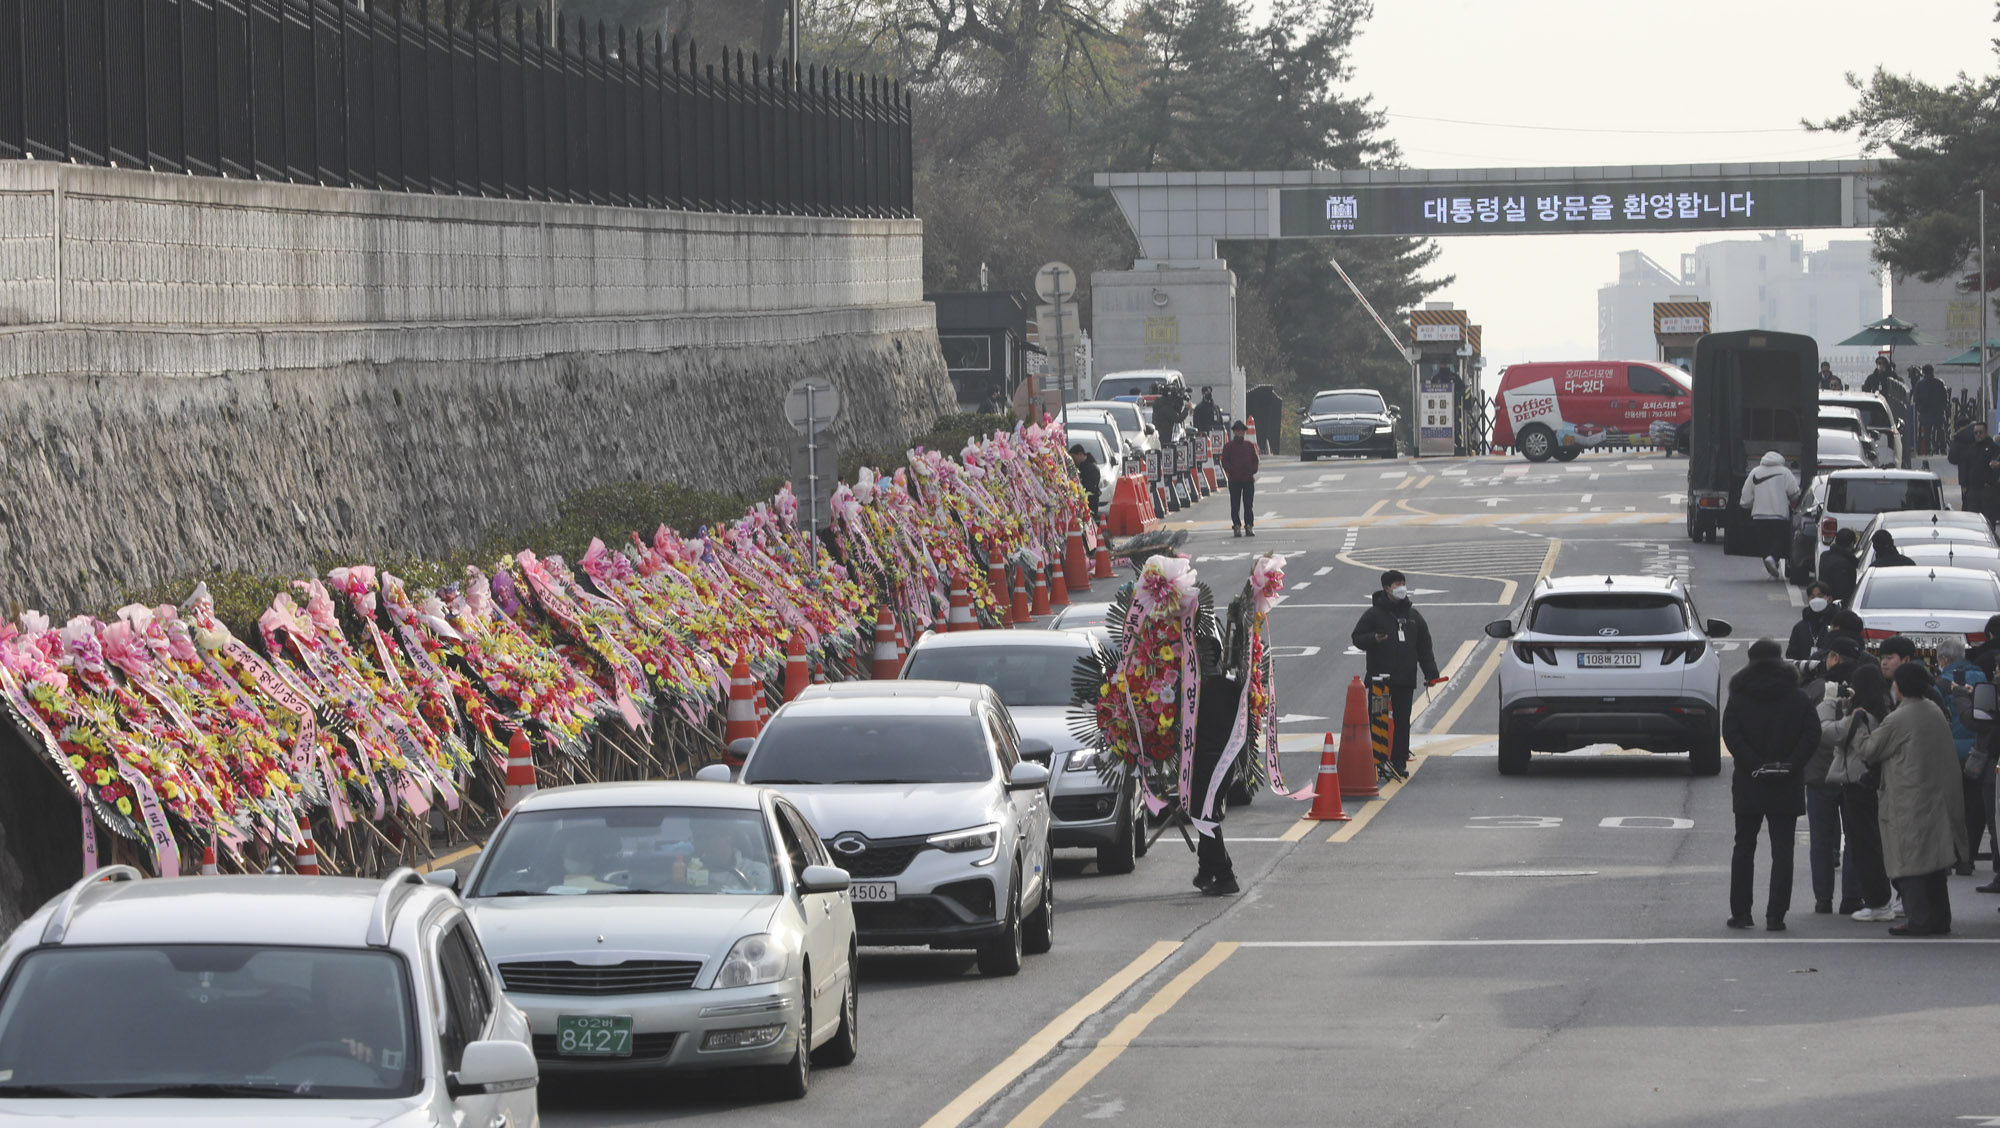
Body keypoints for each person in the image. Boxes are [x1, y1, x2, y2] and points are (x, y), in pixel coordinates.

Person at [1860, 662, 1970, 935]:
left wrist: (1859, 725)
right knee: (1933, 862)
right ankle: (1940, 919)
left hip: (1908, 798)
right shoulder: (1932, 710)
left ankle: (1918, 919)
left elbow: (1870, 749)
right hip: (1935, 794)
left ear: (1900, 686)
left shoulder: (1900, 717)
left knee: (1910, 862)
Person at [1721, 638, 1818, 931]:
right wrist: (1790, 763)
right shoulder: (1797, 696)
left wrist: (1754, 764)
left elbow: (1732, 735)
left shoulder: (1739, 695)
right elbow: (1811, 735)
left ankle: (1741, 912)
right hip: (1786, 782)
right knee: (1783, 849)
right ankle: (1776, 915)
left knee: (1744, 846)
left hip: (1750, 780)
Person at [1350, 570, 1445, 781]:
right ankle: (1376, 761)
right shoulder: (1374, 614)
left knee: (1403, 722)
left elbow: (1424, 647)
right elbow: (1357, 638)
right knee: (1377, 720)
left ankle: (1399, 762)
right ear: (1386, 588)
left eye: (1403, 582)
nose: (1401, 587)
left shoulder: (1413, 617)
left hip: (1405, 680)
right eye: (1396, 584)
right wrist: (1374, 638)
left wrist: (1431, 674)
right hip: (1380, 680)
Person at [1191, 639, 1240, 896]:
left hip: (1212, 762)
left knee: (1204, 816)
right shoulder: (1231, 687)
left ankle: (1224, 874)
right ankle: (1207, 869)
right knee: (1202, 814)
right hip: (1221, 762)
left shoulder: (1195, 690)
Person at [1937, 637, 1989, 876]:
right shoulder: (1982, 679)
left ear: (1944, 660)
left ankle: (1950, 856)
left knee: (1949, 805)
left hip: (1950, 752)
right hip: (1979, 752)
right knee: (1975, 804)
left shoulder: (1942, 683)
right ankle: (1967, 857)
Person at [1739, 450, 1799, 580]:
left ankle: (1773, 571)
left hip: (1759, 515)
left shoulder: (1755, 472)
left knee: (1765, 542)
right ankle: (1773, 561)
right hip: (1779, 514)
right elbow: (1794, 493)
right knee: (1779, 540)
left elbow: (1746, 496)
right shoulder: (1785, 472)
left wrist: (1748, 505)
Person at [1220, 420, 1259, 538]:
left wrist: (1252, 470)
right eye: (1237, 431)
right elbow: (1224, 461)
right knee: (1235, 505)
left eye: (1242, 431)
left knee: (1248, 504)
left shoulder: (1249, 446)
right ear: (1234, 432)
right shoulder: (1229, 447)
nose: (1240, 433)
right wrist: (1231, 471)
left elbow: (1255, 460)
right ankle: (1236, 525)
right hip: (1234, 480)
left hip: (1248, 480)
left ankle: (1249, 526)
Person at [1948, 420, 1995, 513]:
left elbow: (1952, 458)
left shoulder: (1959, 438)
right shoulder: (1986, 439)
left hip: (1966, 480)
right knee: (1986, 509)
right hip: (1985, 481)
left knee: (1968, 506)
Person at [1786, 582, 1836, 661]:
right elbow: (1791, 655)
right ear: (1808, 600)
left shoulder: (1836, 625)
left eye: (1820, 596)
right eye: (1812, 597)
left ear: (1829, 599)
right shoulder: (1800, 627)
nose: (1816, 600)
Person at [1817, 528, 1861, 605]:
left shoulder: (1825, 556)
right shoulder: (1845, 564)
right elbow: (1844, 592)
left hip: (1823, 601)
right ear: (1851, 544)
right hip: (1837, 606)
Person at [1914, 364, 1948, 457]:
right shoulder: (1939, 383)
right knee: (1940, 430)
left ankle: (1927, 450)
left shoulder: (1920, 384)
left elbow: (1916, 398)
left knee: (1927, 432)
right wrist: (1943, 407)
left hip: (1925, 411)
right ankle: (1942, 448)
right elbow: (1945, 397)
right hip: (1938, 411)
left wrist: (1920, 408)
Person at [1069, 443, 1102, 513]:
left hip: (1090, 504)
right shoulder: (1081, 467)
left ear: (1080, 454)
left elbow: (1089, 489)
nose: (1073, 461)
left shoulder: (1092, 469)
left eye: (1073, 457)